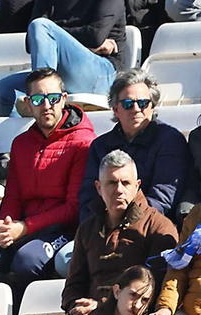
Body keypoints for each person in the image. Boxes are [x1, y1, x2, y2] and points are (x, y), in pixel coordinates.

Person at [25, 150, 184, 315]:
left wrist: (104, 308)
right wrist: (76, 307)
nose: (119, 190)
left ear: (137, 185)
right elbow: (73, 285)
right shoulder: (87, 229)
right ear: (99, 188)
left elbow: (151, 290)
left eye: (125, 183)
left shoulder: (158, 226)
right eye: (111, 183)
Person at [0, 68, 93, 283]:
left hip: (64, 229)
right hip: (24, 225)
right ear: (28, 104)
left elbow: (73, 208)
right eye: (38, 99)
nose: (47, 105)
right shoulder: (21, 143)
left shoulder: (83, 143)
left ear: (64, 99)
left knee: (26, 261)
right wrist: (5, 226)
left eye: (53, 98)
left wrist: (25, 227)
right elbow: (13, 196)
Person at [77, 68, 191, 221]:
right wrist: (99, 227)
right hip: (103, 228)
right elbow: (88, 197)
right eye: (128, 104)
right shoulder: (100, 146)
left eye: (143, 103)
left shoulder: (170, 140)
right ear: (116, 109)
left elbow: (163, 197)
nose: (137, 109)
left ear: (152, 106)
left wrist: (124, 223)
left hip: (150, 230)